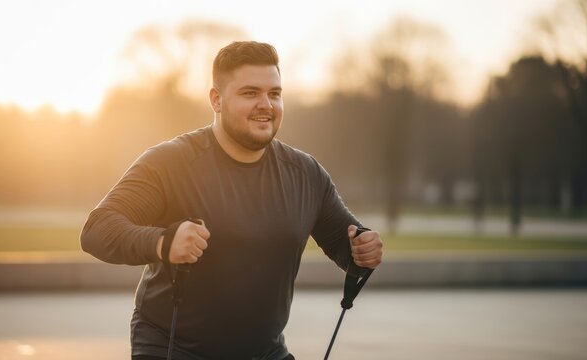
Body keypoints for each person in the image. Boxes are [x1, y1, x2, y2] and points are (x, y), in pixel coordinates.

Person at [80, 41, 383, 360]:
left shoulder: (305, 174)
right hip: (174, 349)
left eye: (275, 94)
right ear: (216, 100)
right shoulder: (171, 162)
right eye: (250, 93)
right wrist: (162, 242)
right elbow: (97, 229)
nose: (266, 104)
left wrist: (364, 248)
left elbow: (345, 241)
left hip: (265, 352)